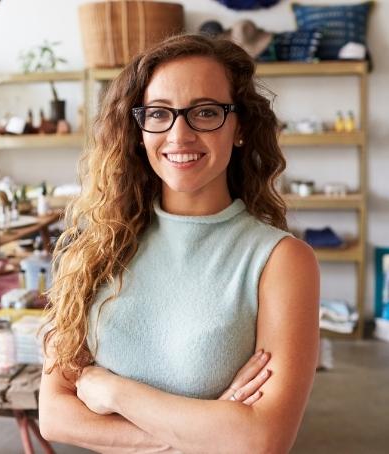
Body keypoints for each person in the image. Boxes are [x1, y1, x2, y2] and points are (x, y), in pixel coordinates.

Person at [39, 34, 319, 453]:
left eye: (205, 112)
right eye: (159, 114)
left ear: (239, 126)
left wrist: (112, 392)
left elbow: (262, 439)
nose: (179, 133)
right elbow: (55, 416)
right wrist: (207, 431)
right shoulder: (96, 246)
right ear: (138, 130)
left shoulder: (280, 262)